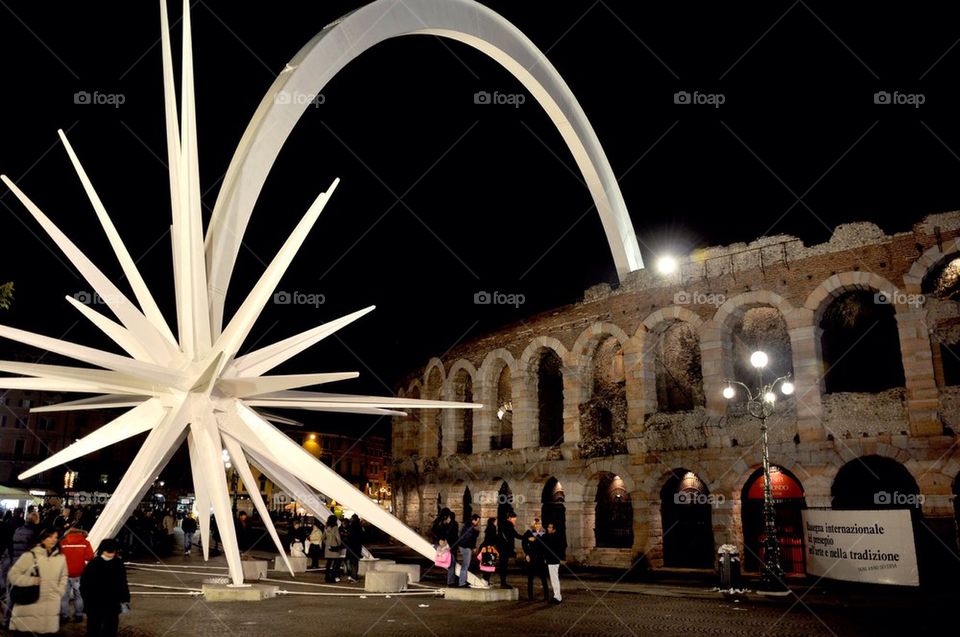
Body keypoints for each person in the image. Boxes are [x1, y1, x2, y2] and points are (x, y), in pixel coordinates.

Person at [7, 528, 68, 635]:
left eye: (56, 537)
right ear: (42, 539)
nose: (54, 540)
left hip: (51, 609)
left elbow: (64, 576)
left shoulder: (60, 558)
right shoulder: (29, 556)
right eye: (50, 536)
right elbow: (12, 575)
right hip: (29, 608)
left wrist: (60, 591)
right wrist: (30, 581)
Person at [80, 538, 130, 637]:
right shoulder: (94, 564)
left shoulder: (118, 563)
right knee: (95, 628)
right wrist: (87, 601)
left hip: (111, 602)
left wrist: (125, 598)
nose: (111, 553)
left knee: (110, 628)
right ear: (103, 550)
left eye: (113, 551)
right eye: (109, 551)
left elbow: (123, 582)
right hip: (95, 602)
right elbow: (85, 585)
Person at [3, 511, 39, 629]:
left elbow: (11, 547)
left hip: (13, 564)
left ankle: (6, 620)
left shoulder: (18, 530)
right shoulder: (35, 532)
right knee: (27, 595)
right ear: (36, 520)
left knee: (12, 594)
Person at [59, 525, 94, 623]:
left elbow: (58, 557)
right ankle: (78, 615)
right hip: (79, 573)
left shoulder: (63, 543)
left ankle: (64, 616)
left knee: (64, 597)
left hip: (65, 573)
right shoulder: (85, 543)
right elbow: (90, 556)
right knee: (79, 596)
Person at [521, 518, 548, 601]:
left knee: (543, 578)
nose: (537, 526)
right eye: (536, 524)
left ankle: (546, 596)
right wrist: (527, 554)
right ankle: (530, 596)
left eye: (539, 524)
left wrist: (545, 557)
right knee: (530, 578)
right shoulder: (528, 533)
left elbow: (545, 546)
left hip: (540, 558)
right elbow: (524, 543)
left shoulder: (543, 534)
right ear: (533, 525)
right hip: (531, 557)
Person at [495, 511, 524, 589]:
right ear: (510, 518)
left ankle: (503, 582)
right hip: (505, 549)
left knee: (503, 566)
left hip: (502, 548)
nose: (515, 521)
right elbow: (515, 535)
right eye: (514, 519)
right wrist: (526, 537)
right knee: (504, 566)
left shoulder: (504, 524)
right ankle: (503, 583)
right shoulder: (509, 525)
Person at [541, 522, 566, 604]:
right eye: (548, 527)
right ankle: (557, 596)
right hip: (553, 560)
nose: (548, 529)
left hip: (553, 561)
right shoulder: (554, 536)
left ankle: (557, 596)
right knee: (554, 579)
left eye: (550, 527)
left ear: (554, 529)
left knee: (554, 579)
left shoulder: (553, 537)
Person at [457, 514, 481, 588]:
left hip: (463, 546)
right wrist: (473, 547)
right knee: (465, 565)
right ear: (473, 520)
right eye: (477, 521)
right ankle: (462, 583)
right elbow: (470, 539)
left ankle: (463, 581)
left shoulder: (467, 525)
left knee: (465, 565)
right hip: (466, 547)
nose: (478, 523)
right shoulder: (470, 527)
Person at [322, 515, 343, 583]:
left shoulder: (326, 527)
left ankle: (327, 577)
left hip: (327, 548)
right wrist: (339, 545)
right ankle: (333, 578)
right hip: (334, 547)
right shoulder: (335, 527)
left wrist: (327, 543)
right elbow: (338, 538)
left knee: (328, 563)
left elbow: (322, 538)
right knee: (335, 564)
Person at [343, 514, 363, 583]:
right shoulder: (359, 527)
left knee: (350, 562)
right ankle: (354, 576)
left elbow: (349, 537)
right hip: (357, 547)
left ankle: (351, 576)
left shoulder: (351, 527)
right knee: (355, 563)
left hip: (350, 547)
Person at [479, 518, 498, 585]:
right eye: (495, 521)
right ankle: (485, 579)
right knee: (489, 565)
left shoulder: (489, 528)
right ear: (493, 522)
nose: (496, 522)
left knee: (487, 564)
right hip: (489, 550)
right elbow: (492, 539)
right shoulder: (492, 528)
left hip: (487, 549)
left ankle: (485, 579)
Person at [443, 511, 459, 587]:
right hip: (454, 546)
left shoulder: (451, 525)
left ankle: (450, 581)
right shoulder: (455, 524)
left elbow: (448, 535)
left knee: (451, 564)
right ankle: (452, 580)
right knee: (452, 563)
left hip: (451, 546)